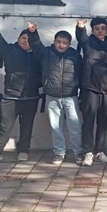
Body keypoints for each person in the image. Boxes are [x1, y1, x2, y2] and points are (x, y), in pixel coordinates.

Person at [0, 19, 42, 164]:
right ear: (18, 39)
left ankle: (23, 150)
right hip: (11, 96)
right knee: (5, 126)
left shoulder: (39, 54)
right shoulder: (10, 50)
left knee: (27, 126)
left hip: (31, 97)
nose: (26, 41)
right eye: (23, 38)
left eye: (29, 39)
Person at [28, 27, 84, 165]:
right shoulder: (46, 53)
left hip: (71, 96)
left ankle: (78, 152)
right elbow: (35, 45)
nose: (61, 45)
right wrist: (33, 32)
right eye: (58, 42)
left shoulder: (75, 56)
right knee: (55, 127)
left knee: (75, 127)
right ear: (54, 42)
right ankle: (59, 153)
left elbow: (81, 74)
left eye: (64, 43)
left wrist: (79, 89)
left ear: (69, 44)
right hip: (52, 96)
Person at [76, 17, 107, 166]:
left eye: (102, 28)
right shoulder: (88, 43)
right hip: (90, 88)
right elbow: (81, 37)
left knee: (103, 122)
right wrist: (80, 28)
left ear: (106, 29)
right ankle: (88, 152)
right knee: (88, 121)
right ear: (92, 30)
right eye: (97, 28)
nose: (100, 31)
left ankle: (99, 152)